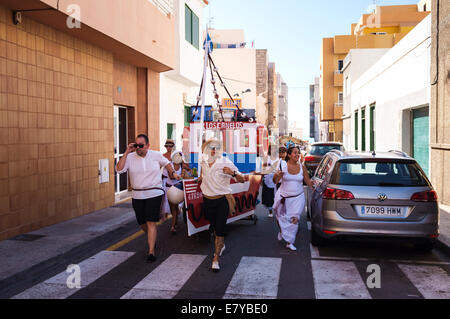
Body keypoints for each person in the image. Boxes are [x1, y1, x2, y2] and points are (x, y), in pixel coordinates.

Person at [116, 134, 181, 262]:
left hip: (154, 193)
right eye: (136, 145)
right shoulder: (130, 157)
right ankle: (152, 237)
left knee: (151, 221)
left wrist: (172, 172)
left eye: (141, 145)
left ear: (147, 145)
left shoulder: (155, 155)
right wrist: (127, 151)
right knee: (142, 223)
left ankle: (151, 251)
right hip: (137, 195)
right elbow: (119, 169)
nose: (138, 148)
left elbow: (167, 163)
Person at [198, 139, 247, 272]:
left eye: (216, 148)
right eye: (210, 148)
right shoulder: (202, 161)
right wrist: (201, 178)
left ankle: (215, 259)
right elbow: (205, 175)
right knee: (214, 228)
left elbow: (242, 178)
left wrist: (233, 173)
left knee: (220, 229)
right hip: (207, 200)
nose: (213, 150)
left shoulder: (225, 162)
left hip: (222, 201)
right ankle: (221, 244)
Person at [272, 146, 314, 251]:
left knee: (294, 219)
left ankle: (290, 241)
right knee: (280, 218)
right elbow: (275, 181)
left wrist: (316, 184)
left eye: (298, 153)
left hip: (298, 198)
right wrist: (277, 175)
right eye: (295, 153)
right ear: (289, 155)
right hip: (283, 197)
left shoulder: (302, 167)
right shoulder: (283, 166)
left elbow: (308, 182)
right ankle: (282, 231)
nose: (297, 155)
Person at [162, 150, 190, 235]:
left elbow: (190, 168)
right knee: (172, 207)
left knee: (174, 207)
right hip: (169, 188)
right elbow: (171, 176)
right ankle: (175, 221)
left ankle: (173, 225)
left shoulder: (182, 165)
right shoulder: (169, 165)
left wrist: (186, 166)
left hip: (178, 189)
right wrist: (181, 176)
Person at [261, 147, 276, 218]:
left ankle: (278, 211)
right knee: (269, 196)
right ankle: (270, 211)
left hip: (277, 179)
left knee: (276, 196)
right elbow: (263, 168)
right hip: (268, 179)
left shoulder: (278, 159)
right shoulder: (266, 158)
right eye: (272, 149)